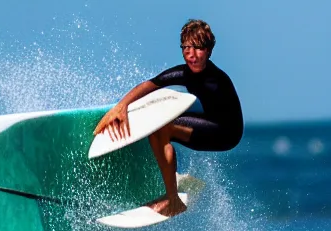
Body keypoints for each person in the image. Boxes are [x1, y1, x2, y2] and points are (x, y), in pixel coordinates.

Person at [94, 19, 243, 217]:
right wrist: (121, 107)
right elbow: (151, 84)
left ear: (209, 50)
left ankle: (173, 199)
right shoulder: (184, 72)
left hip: (227, 133)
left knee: (162, 128)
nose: (192, 55)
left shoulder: (217, 79)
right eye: (187, 48)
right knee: (158, 126)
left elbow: (227, 117)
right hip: (210, 122)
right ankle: (169, 177)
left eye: (198, 48)